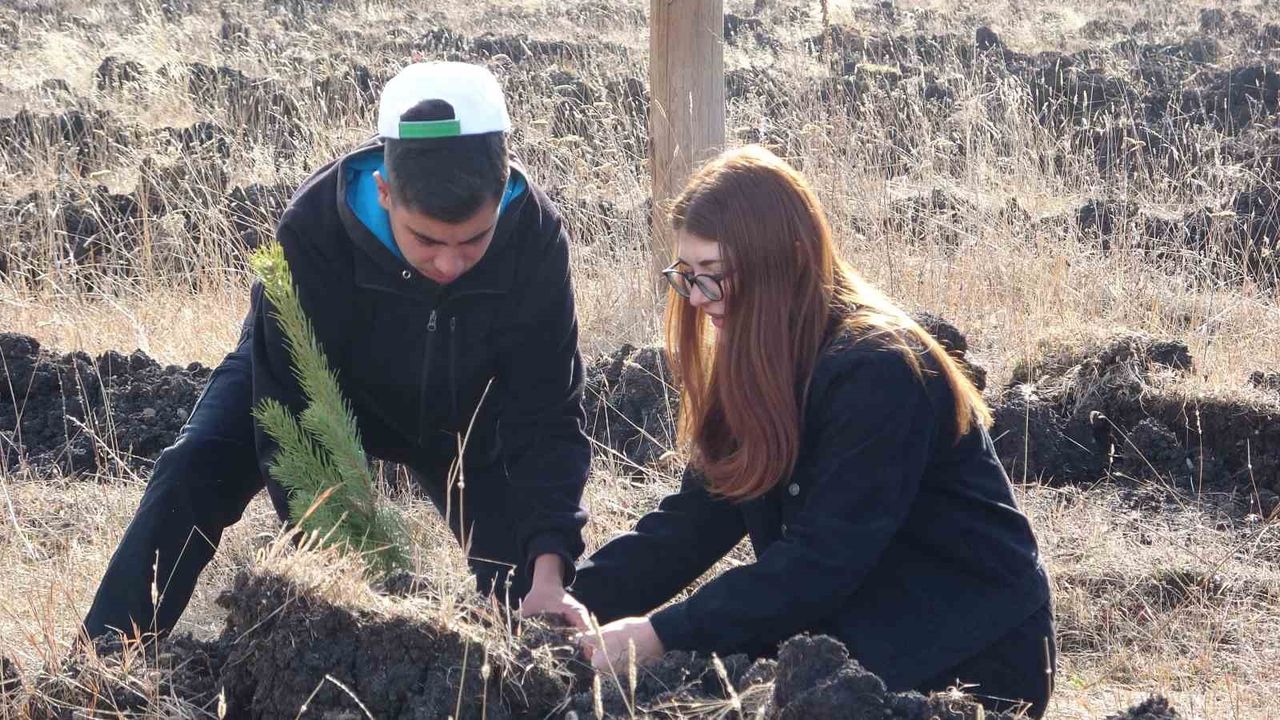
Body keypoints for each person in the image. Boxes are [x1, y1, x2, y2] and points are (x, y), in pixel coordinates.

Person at [83, 61, 592, 642]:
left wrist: (548, 571)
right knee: (192, 467)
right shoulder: (314, 227)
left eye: (473, 240)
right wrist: (342, 579)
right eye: (426, 240)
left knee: (526, 602)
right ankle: (102, 663)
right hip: (317, 383)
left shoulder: (534, 238)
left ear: (501, 197)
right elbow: (293, 417)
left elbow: (548, 416)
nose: (449, 264)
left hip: (466, 410)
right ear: (383, 190)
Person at [568, 146, 1056, 718]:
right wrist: (574, 603)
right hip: (853, 640)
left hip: (971, 659)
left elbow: (822, 561)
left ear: (791, 261)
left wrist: (661, 633)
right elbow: (693, 521)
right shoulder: (753, 360)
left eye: (715, 278)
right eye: (687, 277)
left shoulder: (880, 369)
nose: (698, 301)